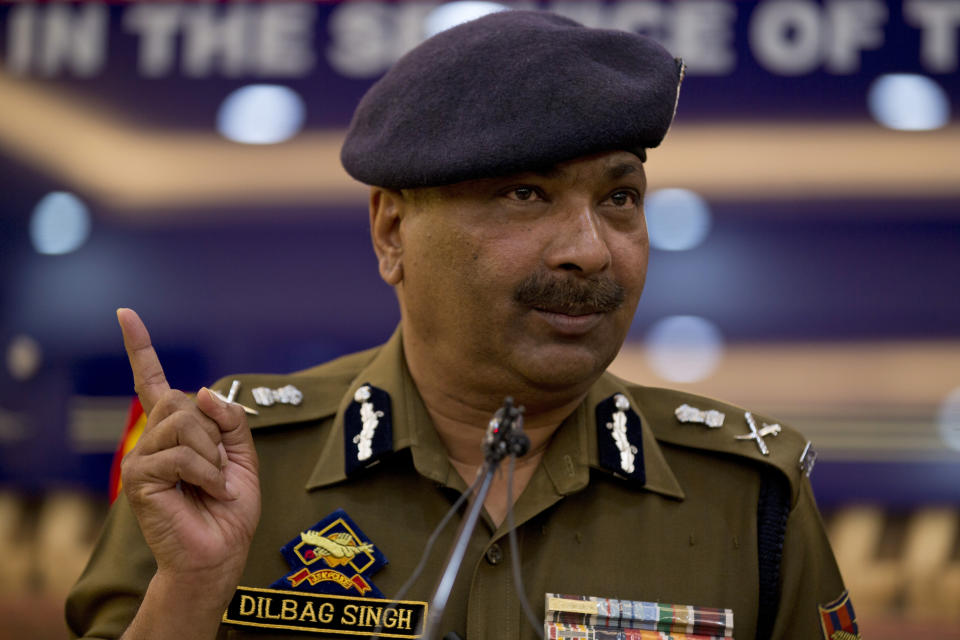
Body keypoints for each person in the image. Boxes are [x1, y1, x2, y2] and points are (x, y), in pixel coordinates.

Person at [66, 10, 856, 640]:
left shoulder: (748, 497)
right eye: (524, 194)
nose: (590, 251)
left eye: (620, 198)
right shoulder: (229, 464)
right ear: (391, 232)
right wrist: (194, 591)